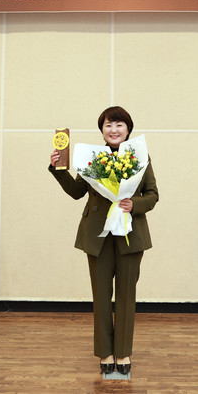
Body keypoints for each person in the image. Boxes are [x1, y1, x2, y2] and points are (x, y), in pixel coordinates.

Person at [49, 106, 159, 375]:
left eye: (119, 125)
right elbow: (77, 191)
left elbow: (153, 195)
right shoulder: (92, 158)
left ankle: (123, 352)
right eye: (108, 125)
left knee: (126, 296)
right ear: (102, 131)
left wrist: (134, 204)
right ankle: (105, 352)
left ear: (128, 129)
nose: (114, 130)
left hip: (130, 234)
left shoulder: (140, 156)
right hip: (98, 235)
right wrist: (58, 169)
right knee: (100, 296)